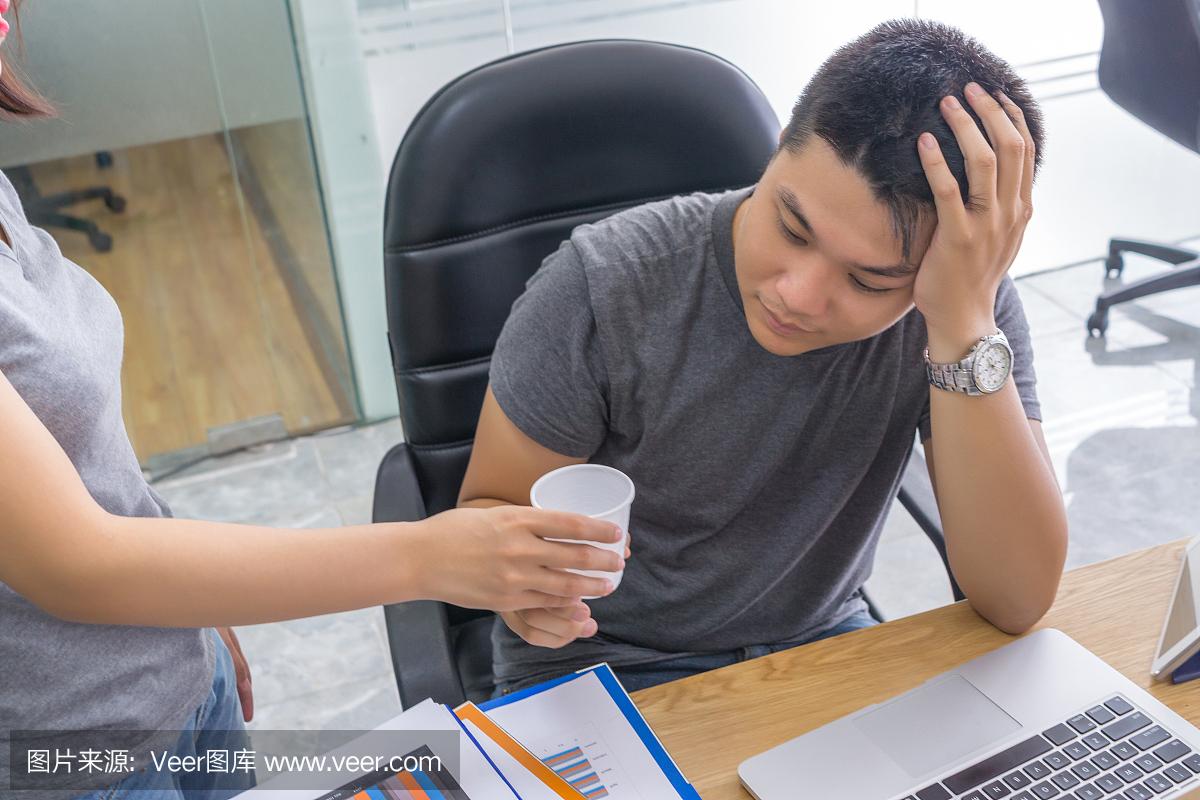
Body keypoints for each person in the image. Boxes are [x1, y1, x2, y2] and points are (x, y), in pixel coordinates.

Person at [0, 3, 624, 799]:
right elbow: (74, 563)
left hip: (175, 678)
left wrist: (189, 600)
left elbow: (68, 450)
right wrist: (433, 554)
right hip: (69, 754)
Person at [458, 19, 1069, 696]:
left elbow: (1017, 599)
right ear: (778, 152)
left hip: (819, 652)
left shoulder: (958, 298)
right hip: (600, 666)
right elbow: (489, 510)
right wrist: (524, 590)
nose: (798, 296)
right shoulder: (604, 285)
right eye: (791, 225)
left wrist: (960, 325)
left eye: (869, 280)